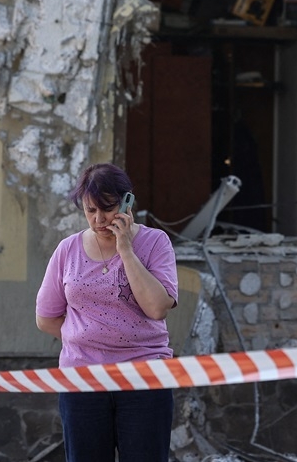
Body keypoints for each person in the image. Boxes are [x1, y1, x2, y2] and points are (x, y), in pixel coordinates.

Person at [36, 162, 178, 462]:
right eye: (90, 211)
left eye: (108, 208)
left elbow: (156, 308)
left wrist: (125, 249)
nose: (99, 219)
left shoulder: (155, 243)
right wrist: (86, 337)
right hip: (82, 379)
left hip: (144, 377)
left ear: (127, 202)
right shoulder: (67, 249)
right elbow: (46, 317)